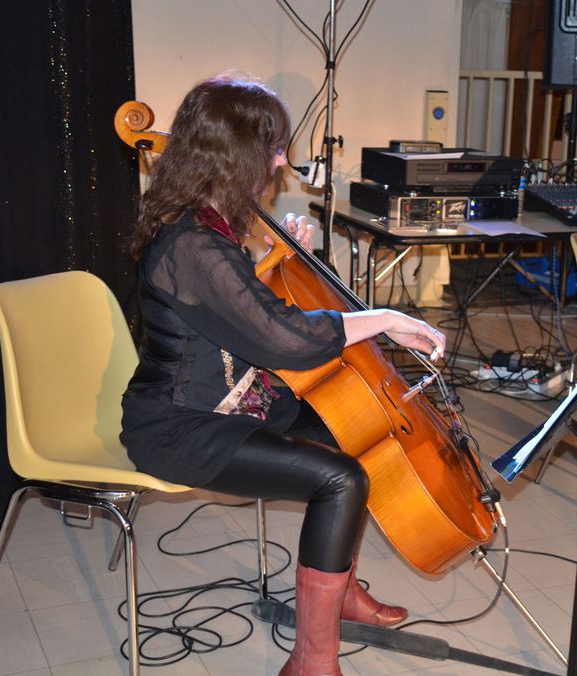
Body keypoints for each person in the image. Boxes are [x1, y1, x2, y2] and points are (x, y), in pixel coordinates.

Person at [121, 75, 447, 676]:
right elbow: (281, 339)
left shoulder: (207, 222)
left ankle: (341, 595)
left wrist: (280, 260)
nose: (281, 162)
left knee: (358, 433)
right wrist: (381, 319)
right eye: (273, 148)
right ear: (235, 154)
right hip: (179, 424)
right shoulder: (193, 243)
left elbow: (234, 311)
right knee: (341, 479)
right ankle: (312, 661)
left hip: (231, 397)